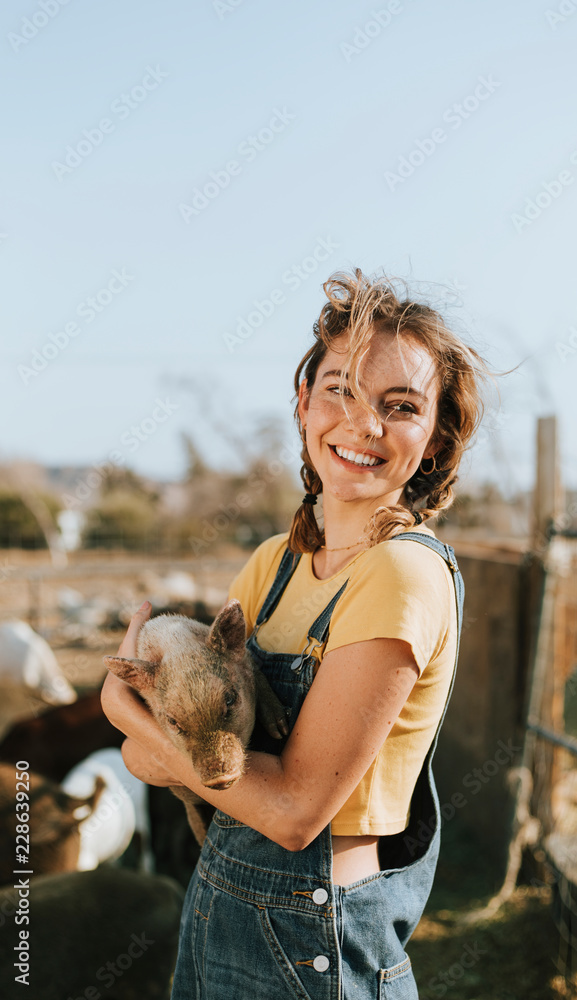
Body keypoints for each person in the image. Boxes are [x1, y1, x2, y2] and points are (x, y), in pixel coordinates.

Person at [101, 268, 493, 999]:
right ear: (304, 402)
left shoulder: (401, 576)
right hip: (218, 897)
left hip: (313, 938)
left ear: (435, 439)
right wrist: (151, 733)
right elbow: (151, 756)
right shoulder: (272, 566)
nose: (362, 423)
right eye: (340, 388)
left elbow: (291, 812)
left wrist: (129, 712)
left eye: (400, 405)